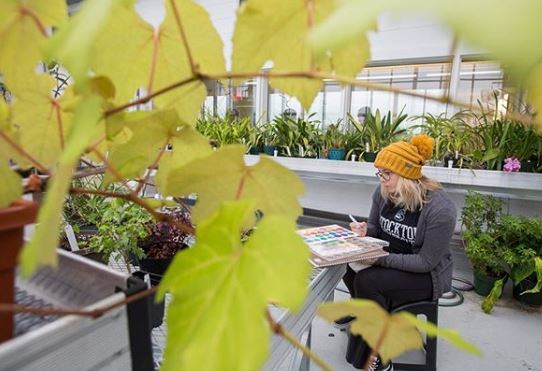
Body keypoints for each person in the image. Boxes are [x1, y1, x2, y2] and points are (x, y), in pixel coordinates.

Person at [339, 134, 457, 371]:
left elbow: (425, 262)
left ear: (406, 175)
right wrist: (365, 230)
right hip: (393, 258)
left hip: (426, 276)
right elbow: (376, 228)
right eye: (379, 172)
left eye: (387, 173)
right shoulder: (384, 191)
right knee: (345, 265)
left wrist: (379, 260)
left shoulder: (440, 209)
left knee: (368, 280)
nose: (381, 179)